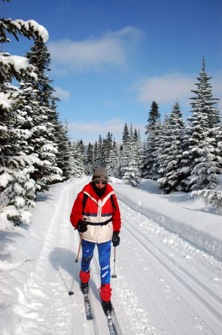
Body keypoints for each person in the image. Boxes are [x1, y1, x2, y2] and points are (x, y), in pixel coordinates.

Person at [70, 167, 121, 314]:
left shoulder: (111, 196)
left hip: (105, 234)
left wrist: (116, 232)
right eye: (97, 181)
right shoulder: (83, 195)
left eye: (103, 182)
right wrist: (78, 223)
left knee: (105, 264)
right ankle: (84, 278)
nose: (100, 184)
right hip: (88, 234)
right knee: (86, 257)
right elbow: (74, 214)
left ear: (106, 182)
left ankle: (106, 297)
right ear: (93, 181)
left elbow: (116, 215)